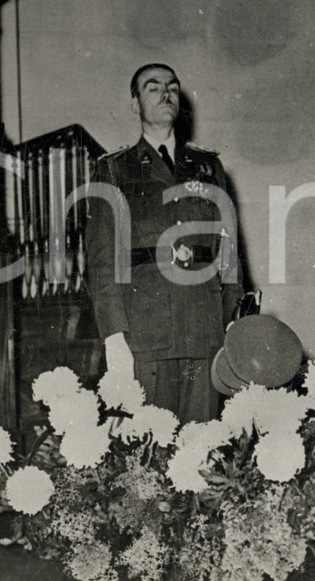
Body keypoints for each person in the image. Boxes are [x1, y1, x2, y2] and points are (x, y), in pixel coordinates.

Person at [85, 64, 243, 423]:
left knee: (203, 447)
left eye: (172, 87)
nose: (165, 94)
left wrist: (234, 318)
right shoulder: (114, 170)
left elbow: (229, 249)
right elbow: (102, 260)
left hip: (203, 326)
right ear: (135, 103)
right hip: (146, 331)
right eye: (153, 88)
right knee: (150, 450)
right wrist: (114, 336)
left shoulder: (207, 166)